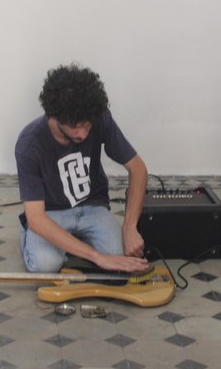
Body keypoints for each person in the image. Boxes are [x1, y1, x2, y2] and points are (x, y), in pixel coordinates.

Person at [15, 64, 150, 273]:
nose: (84, 134)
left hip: (93, 207)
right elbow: (37, 219)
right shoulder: (29, 145)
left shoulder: (99, 118)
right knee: (45, 265)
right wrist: (98, 257)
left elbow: (138, 169)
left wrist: (130, 227)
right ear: (55, 117)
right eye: (76, 127)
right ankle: (31, 238)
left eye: (88, 126)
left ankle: (72, 245)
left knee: (120, 257)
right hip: (49, 214)